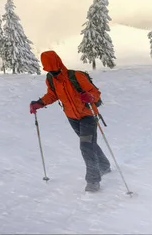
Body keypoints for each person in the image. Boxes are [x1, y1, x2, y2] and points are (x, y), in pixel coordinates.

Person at [29, 50, 111, 192]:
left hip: (88, 115)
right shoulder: (50, 79)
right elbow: (52, 95)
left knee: (86, 145)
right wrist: (40, 103)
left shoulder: (76, 76)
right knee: (89, 143)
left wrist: (90, 97)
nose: (51, 72)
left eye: (53, 69)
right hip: (72, 117)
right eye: (48, 69)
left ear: (58, 63)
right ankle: (104, 165)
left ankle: (93, 180)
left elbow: (95, 93)